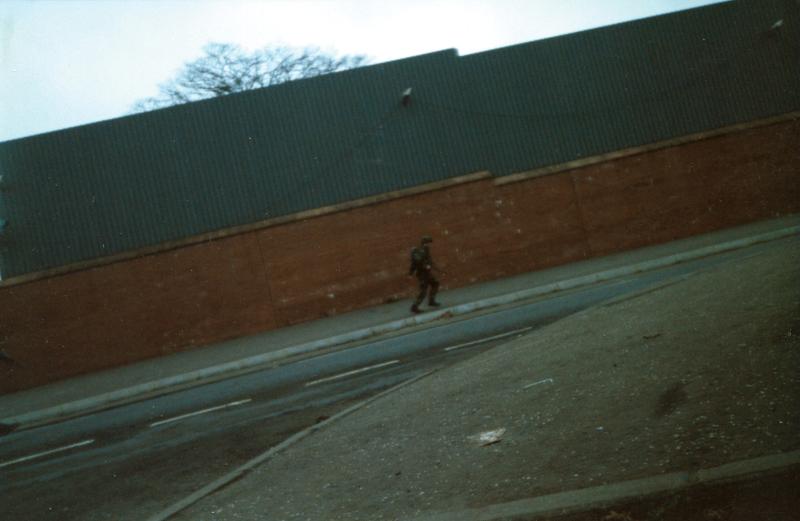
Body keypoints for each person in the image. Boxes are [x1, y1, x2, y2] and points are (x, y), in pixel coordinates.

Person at [408, 235, 442, 313]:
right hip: (422, 274)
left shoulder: (426, 249)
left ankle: (431, 301)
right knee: (423, 291)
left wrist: (437, 269)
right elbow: (415, 263)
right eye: (429, 243)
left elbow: (429, 261)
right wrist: (411, 273)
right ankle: (414, 307)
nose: (430, 245)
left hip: (427, 273)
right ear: (425, 243)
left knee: (435, 283)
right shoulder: (419, 251)